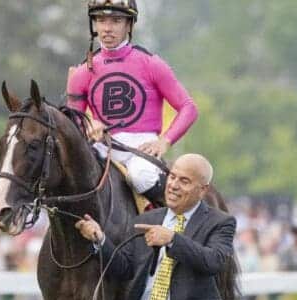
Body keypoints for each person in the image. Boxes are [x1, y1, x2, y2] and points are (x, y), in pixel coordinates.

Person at [75, 153, 236, 300]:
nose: (173, 185)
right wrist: (100, 240)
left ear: (203, 190)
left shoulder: (220, 222)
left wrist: (172, 239)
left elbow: (214, 261)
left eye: (184, 181)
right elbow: (124, 268)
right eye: (172, 177)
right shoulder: (148, 219)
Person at [66, 0, 198, 205]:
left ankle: (176, 223)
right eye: (101, 20)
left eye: (116, 21)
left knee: (140, 176)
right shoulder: (81, 72)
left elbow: (188, 108)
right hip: (101, 147)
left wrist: (164, 141)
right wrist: (89, 124)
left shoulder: (152, 64)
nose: (107, 28)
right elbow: (73, 122)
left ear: (129, 25)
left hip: (142, 147)